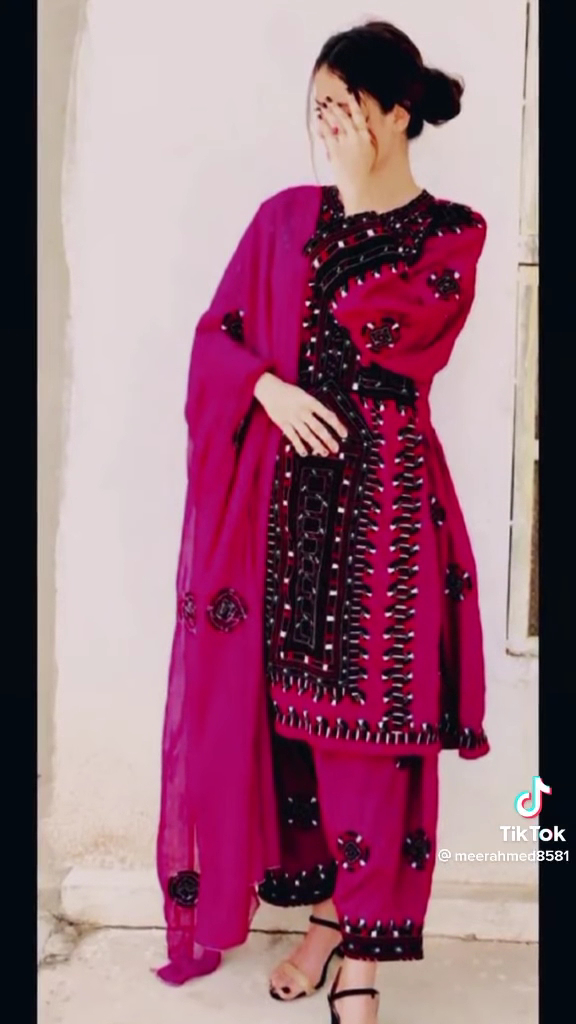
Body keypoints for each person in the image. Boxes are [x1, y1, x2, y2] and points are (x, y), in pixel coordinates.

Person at [155, 19, 490, 1024]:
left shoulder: (451, 235)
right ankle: (324, 919)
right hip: (286, 520)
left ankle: (364, 957)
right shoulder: (283, 221)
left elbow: (394, 336)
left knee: (374, 736)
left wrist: (346, 207)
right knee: (293, 735)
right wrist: (262, 385)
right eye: (318, 111)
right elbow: (215, 340)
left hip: (388, 521)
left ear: (397, 112)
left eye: (345, 109)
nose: (328, 127)